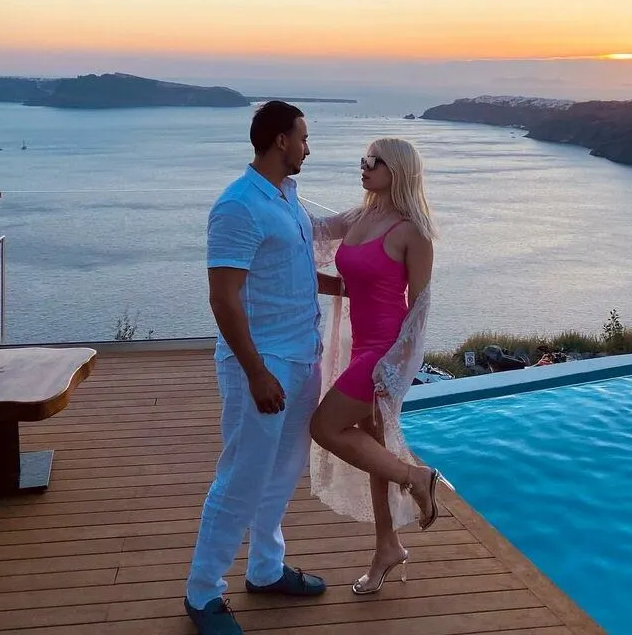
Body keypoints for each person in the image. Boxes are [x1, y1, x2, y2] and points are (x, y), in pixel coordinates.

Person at [184, 101, 343, 635]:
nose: (307, 147)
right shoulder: (238, 206)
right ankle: (203, 592)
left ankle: (266, 569)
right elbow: (223, 297)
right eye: (303, 137)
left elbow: (291, 269)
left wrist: (344, 287)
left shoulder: (286, 197)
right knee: (242, 477)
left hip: (302, 356)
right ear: (280, 140)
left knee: (282, 471)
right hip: (263, 362)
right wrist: (255, 372)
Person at [308, 137, 440, 596]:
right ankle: (387, 546)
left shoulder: (412, 232)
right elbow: (309, 229)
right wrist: (275, 189)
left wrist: (396, 367)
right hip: (361, 346)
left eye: (373, 161)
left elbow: (419, 309)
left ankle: (415, 477)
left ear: (397, 170)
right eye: (363, 159)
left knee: (325, 426)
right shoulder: (357, 216)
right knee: (374, 451)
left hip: (383, 354)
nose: (363, 166)